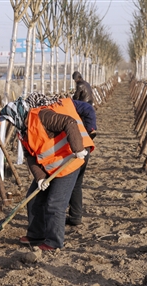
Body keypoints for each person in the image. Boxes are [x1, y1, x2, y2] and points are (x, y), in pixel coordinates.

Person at [0, 96, 95, 251]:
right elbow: (30, 157)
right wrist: (40, 178)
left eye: (11, 119)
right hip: (50, 167)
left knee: (55, 204)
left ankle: (54, 242)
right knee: (34, 197)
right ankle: (36, 234)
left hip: (69, 161)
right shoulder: (22, 132)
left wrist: (77, 149)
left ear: (18, 115)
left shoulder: (42, 116)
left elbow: (69, 122)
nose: (11, 123)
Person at [24, 92, 97, 226]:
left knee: (65, 189)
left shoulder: (47, 113)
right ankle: (75, 217)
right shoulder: (63, 104)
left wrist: (90, 130)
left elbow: (85, 110)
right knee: (76, 184)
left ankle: (60, 221)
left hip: (76, 149)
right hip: (79, 147)